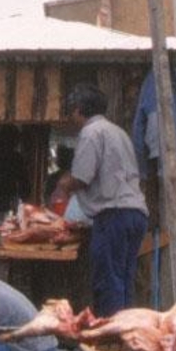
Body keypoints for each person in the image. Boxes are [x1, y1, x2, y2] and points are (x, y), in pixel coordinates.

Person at [57, 83, 148, 317]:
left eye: (71, 112)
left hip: (113, 215)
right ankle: (126, 337)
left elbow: (82, 177)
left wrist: (63, 186)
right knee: (124, 280)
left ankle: (110, 340)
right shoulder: (117, 132)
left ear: (78, 110)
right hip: (135, 213)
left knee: (108, 281)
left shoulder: (91, 132)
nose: (71, 117)